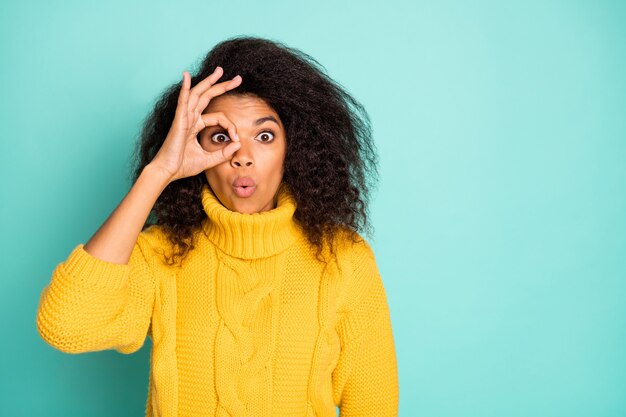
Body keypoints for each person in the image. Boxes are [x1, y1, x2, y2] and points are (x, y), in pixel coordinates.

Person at [35, 35, 399, 417]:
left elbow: (373, 403)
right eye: (221, 137)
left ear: (295, 148)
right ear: (196, 149)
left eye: (264, 136)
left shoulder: (343, 259)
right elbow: (66, 325)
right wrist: (159, 172)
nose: (242, 156)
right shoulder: (160, 254)